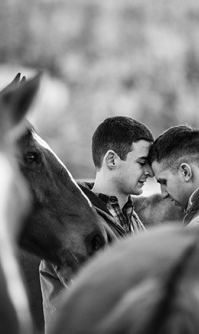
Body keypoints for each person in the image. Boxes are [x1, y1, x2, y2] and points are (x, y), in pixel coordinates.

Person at [39, 116, 155, 329]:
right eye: (142, 162)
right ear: (111, 160)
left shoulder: (134, 222)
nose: (150, 171)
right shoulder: (70, 228)